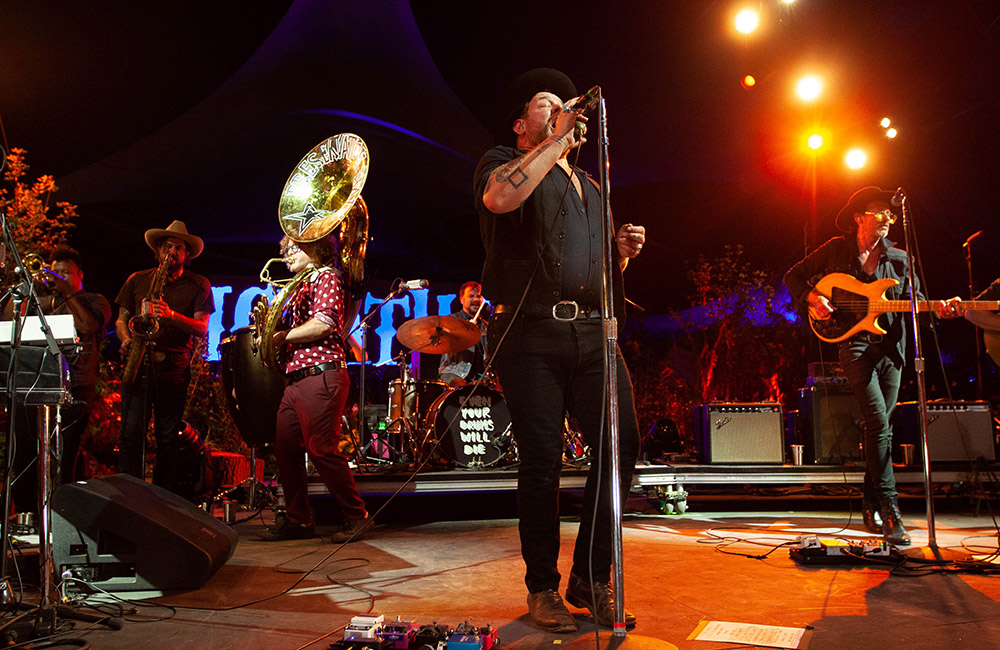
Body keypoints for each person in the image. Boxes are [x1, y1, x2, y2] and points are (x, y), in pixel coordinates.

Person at [475, 68, 645, 633]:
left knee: (622, 446)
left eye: (564, 105)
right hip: (530, 334)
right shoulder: (505, 160)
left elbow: (592, 272)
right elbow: (500, 199)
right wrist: (554, 139)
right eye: (547, 104)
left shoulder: (593, 187)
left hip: (593, 331)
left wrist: (617, 257)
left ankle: (591, 577)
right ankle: (542, 589)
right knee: (542, 461)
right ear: (523, 123)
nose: (560, 110)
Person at [784, 187, 957, 546]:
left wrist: (937, 308)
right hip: (854, 344)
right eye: (877, 212)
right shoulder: (836, 249)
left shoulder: (900, 259)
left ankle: (869, 501)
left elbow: (917, 301)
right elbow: (794, 277)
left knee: (882, 427)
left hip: (892, 348)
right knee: (878, 420)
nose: (885, 219)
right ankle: (891, 510)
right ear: (859, 218)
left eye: (889, 215)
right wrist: (814, 299)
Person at [258, 235, 370, 543]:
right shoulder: (300, 287)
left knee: (321, 448)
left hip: (322, 375)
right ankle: (299, 520)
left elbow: (323, 324)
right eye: (286, 249)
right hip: (296, 379)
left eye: (296, 248)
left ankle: (356, 516)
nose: (288, 254)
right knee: (284, 448)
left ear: (316, 249)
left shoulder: (326, 277)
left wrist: (279, 337)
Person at [5, 245, 111, 514]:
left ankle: (63, 516)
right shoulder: (37, 299)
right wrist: (25, 288)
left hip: (75, 387)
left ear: (80, 275)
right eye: (55, 270)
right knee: (25, 454)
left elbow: (87, 326)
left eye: (66, 272)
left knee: (63, 455)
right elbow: (7, 324)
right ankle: (28, 515)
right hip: (33, 386)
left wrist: (67, 292)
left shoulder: (93, 300)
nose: (57, 276)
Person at [115, 221, 214, 495]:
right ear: (157, 251)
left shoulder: (198, 284)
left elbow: (202, 327)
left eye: (178, 248)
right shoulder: (137, 279)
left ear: (187, 255)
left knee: (167, 437)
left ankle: (162, 498)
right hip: (138, 361)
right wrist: (125, 339)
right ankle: (129, 495)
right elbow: (121, 320)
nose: (172, 252)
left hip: (173, 366)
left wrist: (170, 315)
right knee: (131, 435)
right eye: (167, 246)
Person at [438, 281, 489, 387]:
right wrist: (466, 331)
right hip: (454, 372)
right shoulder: (452, 320)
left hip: (481, 376)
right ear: (461, 299)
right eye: (471, 296)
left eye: (478, 296)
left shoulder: (485, 326)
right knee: (462, 388)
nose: (475, 300)